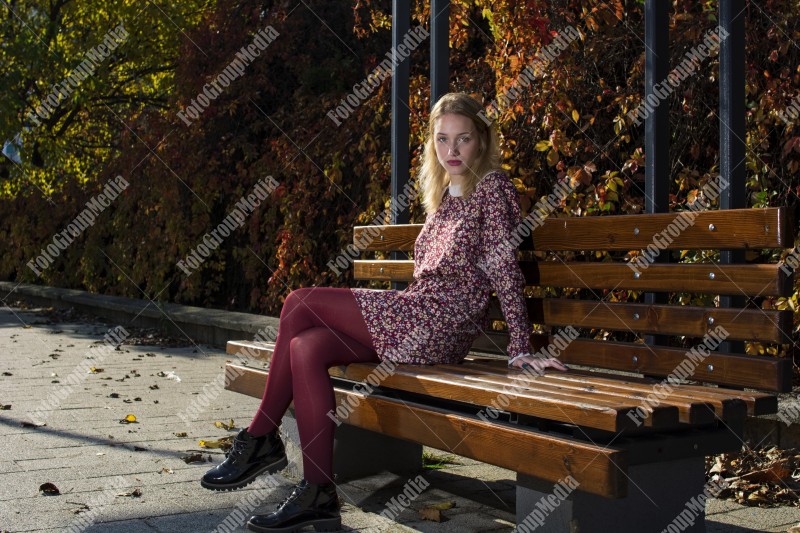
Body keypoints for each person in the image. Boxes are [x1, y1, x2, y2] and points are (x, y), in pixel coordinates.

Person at [200, 92, 569, 532]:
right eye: (442, 139)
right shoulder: (445, 196)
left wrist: (520, 347)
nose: (451, 151)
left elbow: (504, 267)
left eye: (463, 139)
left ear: (482, 141)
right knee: (306, 346)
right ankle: (317, 492)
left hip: (440, 323)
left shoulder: (493, 187)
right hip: (417, 313)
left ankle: (259, 437)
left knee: (299, 302)